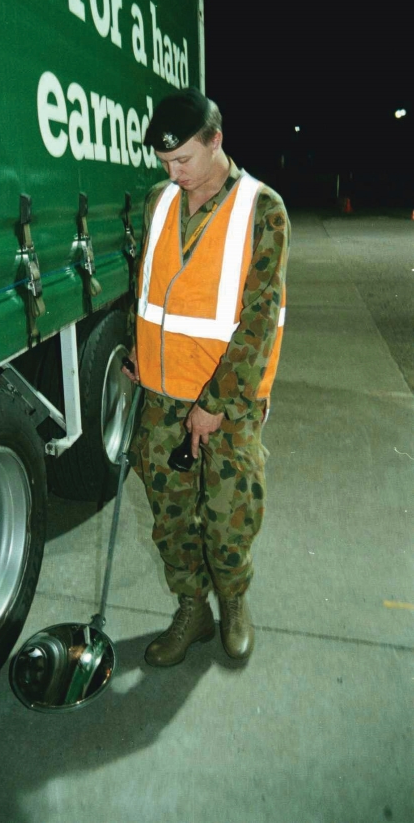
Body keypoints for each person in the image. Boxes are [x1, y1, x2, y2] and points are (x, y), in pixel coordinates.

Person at [123, 88, 289, 666]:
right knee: (170, 519)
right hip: (162, 395)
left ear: (216, 140)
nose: (175, 174)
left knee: (227, 520)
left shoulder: (262, 210)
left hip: (228, 403)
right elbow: (147, 285)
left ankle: (233, 604)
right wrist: (135, 348)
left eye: (184, 160)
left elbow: (260, 318)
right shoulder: (158, 201)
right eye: (166, 164)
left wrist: (216, 401)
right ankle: (191, 610)